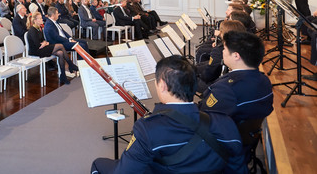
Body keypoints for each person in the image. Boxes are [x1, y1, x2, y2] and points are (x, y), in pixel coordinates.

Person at [91, 55, 246, 174]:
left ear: (163, 86)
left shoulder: (147, 129)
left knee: (98, 164)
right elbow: (238, 168)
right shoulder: (226, 123)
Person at [200, 31, 273, 125]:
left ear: (236, 55)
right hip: (244, 135)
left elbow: (203, 115)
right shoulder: (265, 81)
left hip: (218, 135)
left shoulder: (225, 89)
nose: (222, 51)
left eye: (225, 48)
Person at [26, 12, 77, 85]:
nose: (42, 19)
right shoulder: (32, 30)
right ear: (35, 21)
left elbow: (44, 41)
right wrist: (44, 43)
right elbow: (38, 45)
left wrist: (44, 43)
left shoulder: (39, 28)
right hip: (36, 51)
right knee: (60, 46)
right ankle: (70, 64)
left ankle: (63, 75)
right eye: (40, 18)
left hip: (42, 48)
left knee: (60, 53)